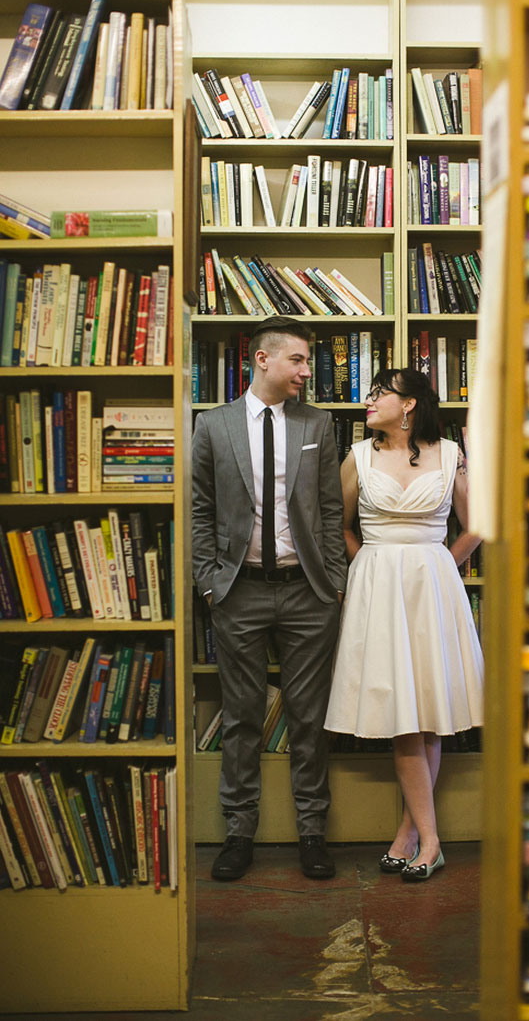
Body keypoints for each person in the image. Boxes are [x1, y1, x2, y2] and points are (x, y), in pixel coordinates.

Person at [192, 317, 347, 881]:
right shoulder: (213, 426)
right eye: (299, 361)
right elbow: (200, 511)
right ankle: (238, 832)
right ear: (263, 360)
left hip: (308, 594)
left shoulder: (318, 423)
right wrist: (210, 582)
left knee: (309, 717)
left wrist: (333, 583)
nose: (308, 371)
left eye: (308, 362)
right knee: (241, 718)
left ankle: (312, 832)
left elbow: (331, 509)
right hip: (238, 593)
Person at [325, 367, 484, 881]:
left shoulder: (451, 456)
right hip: (377, 587)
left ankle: (413, 834)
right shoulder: (358, 456)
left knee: (427, 707)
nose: (367, 401)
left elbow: (476, 524)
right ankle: (427, 837)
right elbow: (339, 524)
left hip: (432, 586)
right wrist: (369, 562)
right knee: (401, 714)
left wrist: (440, 564)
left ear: (409, 404)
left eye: (379, 394)